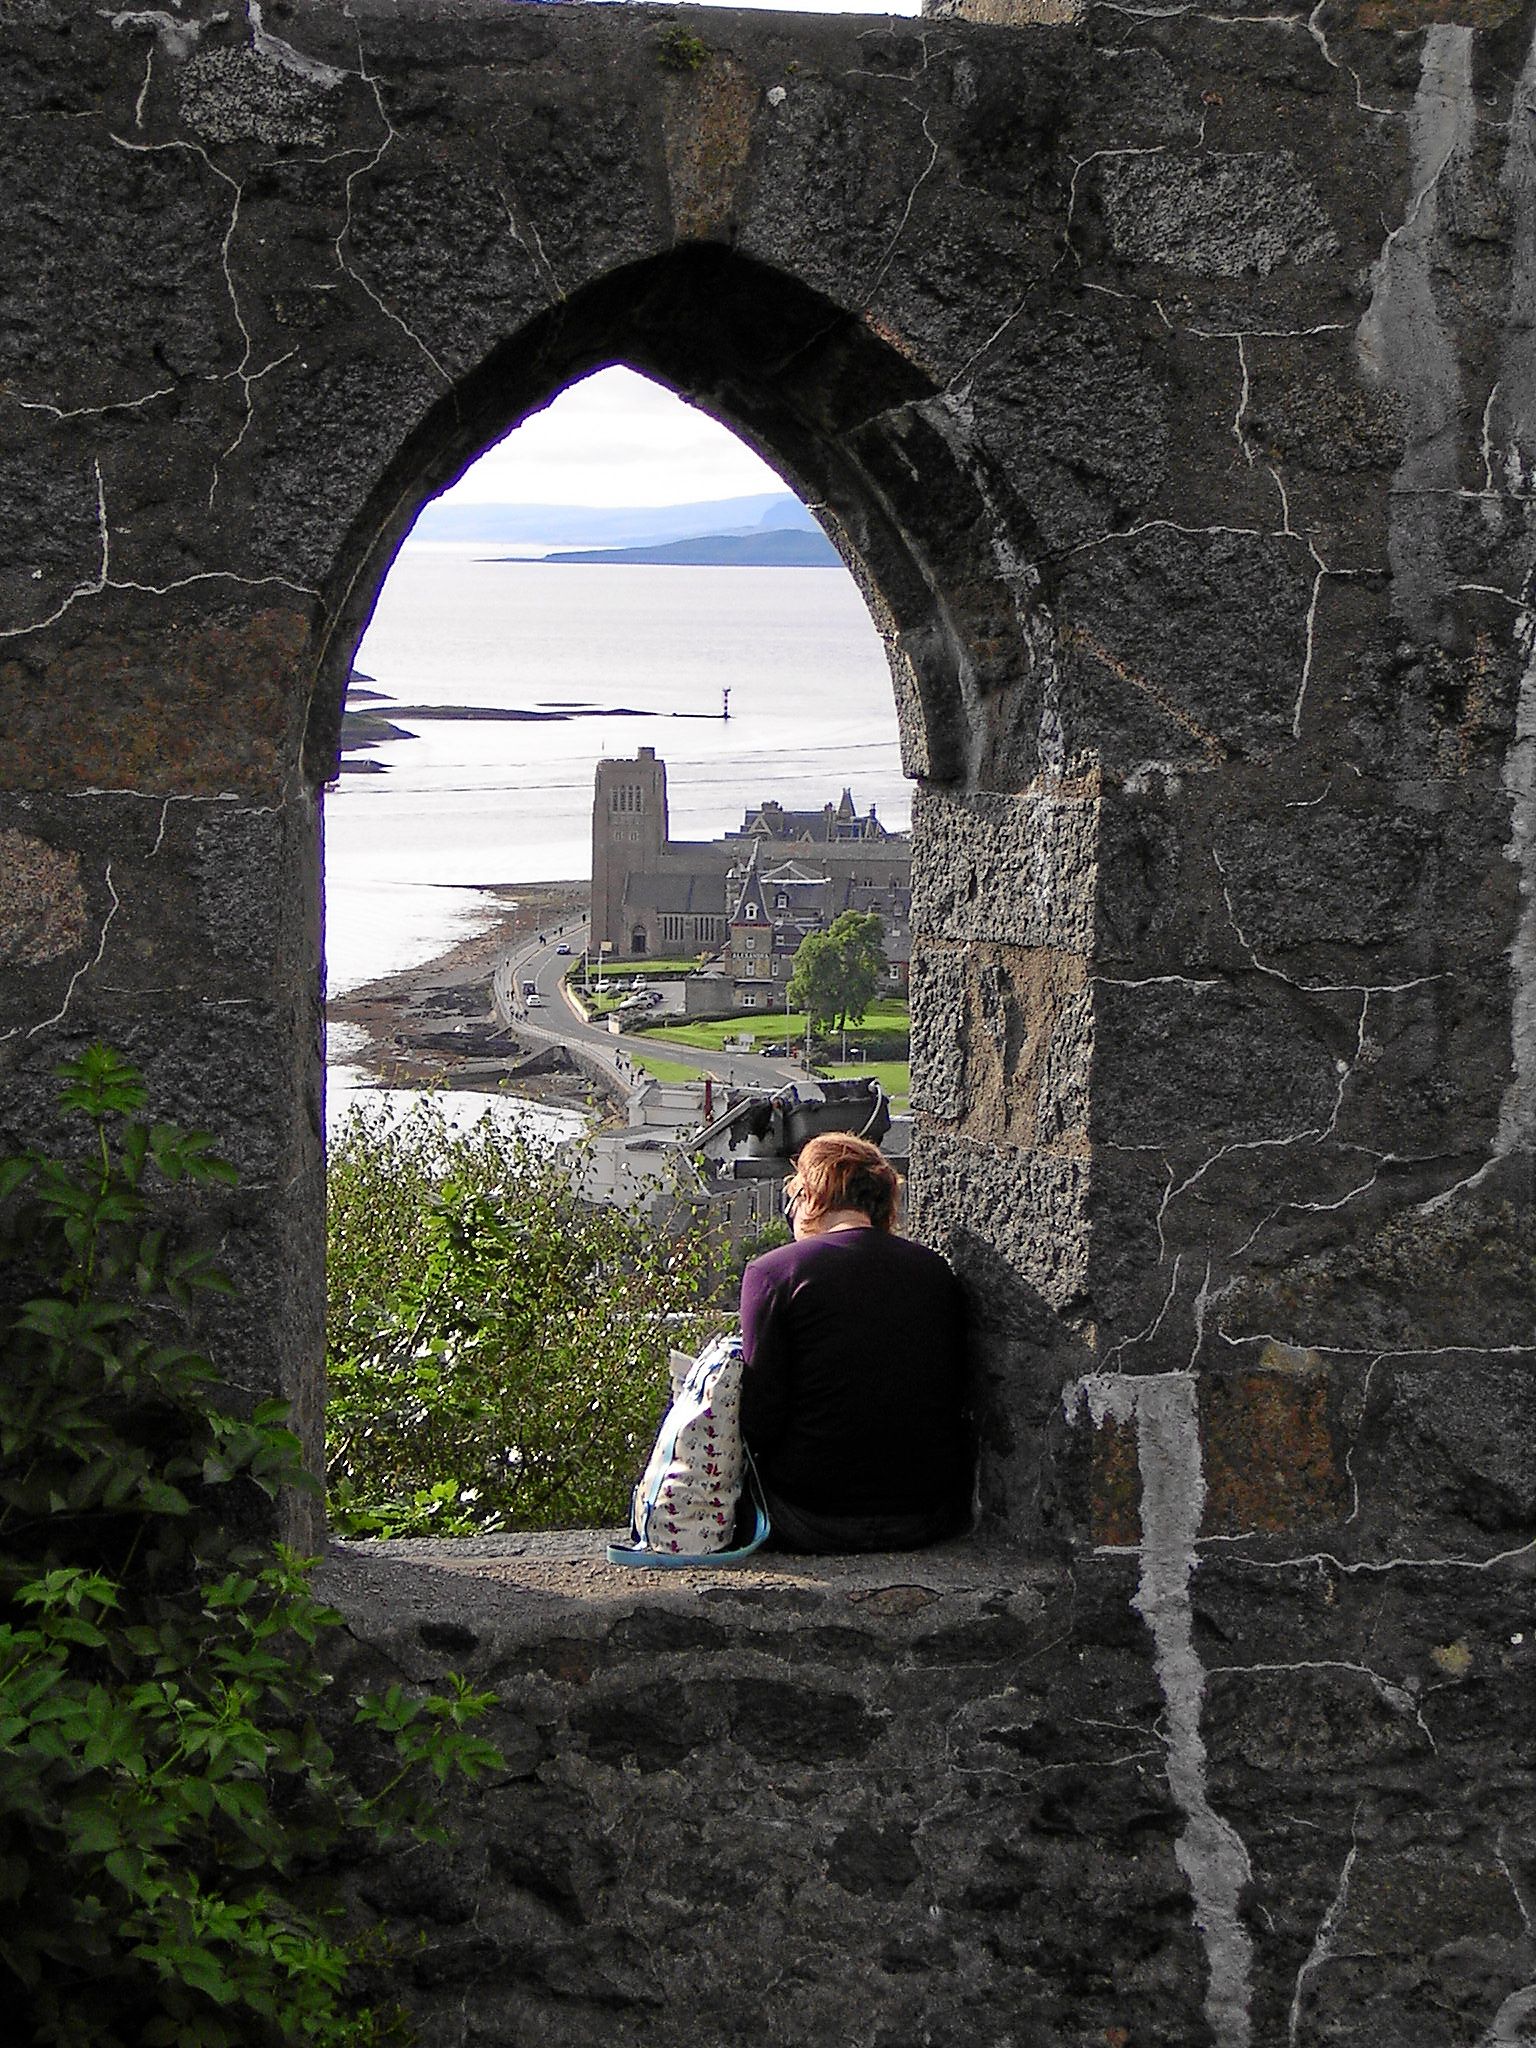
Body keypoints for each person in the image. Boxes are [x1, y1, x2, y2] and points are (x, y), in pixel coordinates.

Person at [738, 1132, 971, 1554]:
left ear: (810, 1197)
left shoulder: (774, 1273)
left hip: (809, 1516)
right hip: (926, 1515)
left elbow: (758, 1418)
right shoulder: (935, 1272)